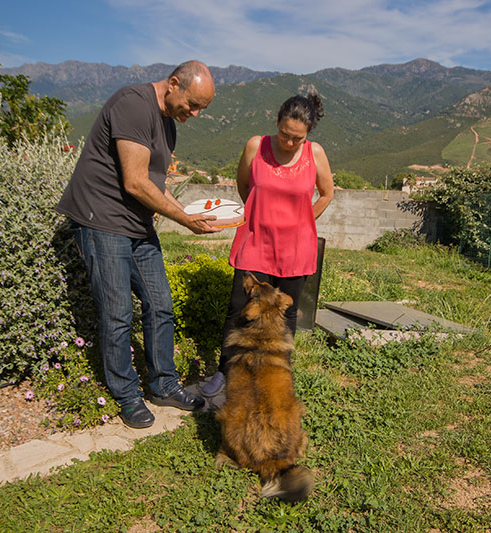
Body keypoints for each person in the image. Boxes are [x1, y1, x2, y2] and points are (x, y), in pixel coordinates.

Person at [56, 60, 221, 428]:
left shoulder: (167, 123)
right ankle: (127, 394)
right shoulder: (133, 104)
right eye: (192, 104)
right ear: (173, 83)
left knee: (160, 303)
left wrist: (190, 214)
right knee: (117, 314)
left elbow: (155, 181)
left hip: (136, 224)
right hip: (102, 221)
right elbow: (133, 181)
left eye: (201, 109)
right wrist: (184, 220)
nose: (193, 113)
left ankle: (163, 384)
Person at [201, 89, 334, 397]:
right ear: (277, 122)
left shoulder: (315, 154)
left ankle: (277, 375)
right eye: (285, 134)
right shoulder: (255, 146)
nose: (289, 142)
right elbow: (244, 184)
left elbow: (327, 193)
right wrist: (259, 216)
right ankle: (225, 371)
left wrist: (305, 221)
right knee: (240, 308)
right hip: (255, 241)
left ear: (307, 134)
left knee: (285, 313)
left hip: (296, 248)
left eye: (296, 139)